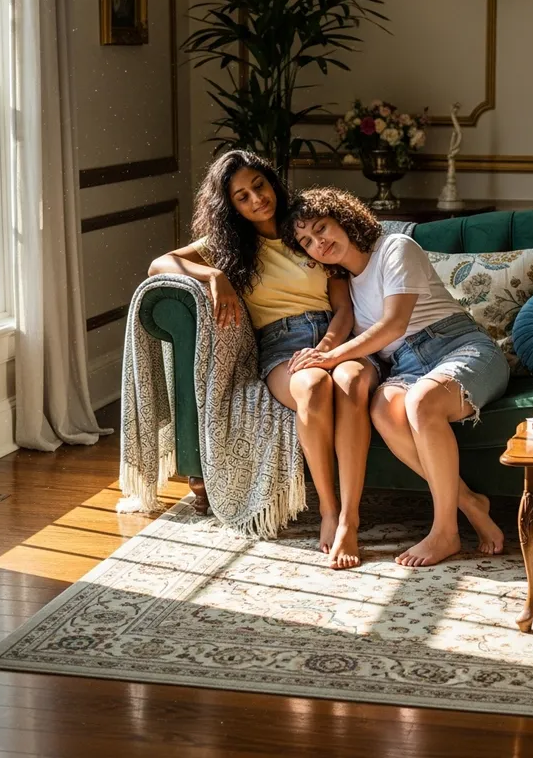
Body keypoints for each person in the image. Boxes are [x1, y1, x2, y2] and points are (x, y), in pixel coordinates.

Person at [148, 153, 379, 567]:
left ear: (273, 181)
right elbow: (159, 264)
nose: (256, 198)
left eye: (260, 185)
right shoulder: (227, 248)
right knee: (312, 385)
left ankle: (351, 517)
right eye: (242, 196)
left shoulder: (307, 229)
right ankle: (329, 510)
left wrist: (327, 349)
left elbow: (344, 308)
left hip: (337, 337)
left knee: (349, 382)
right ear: (231, 206)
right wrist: (214, 275)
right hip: (280, 345)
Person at [282, 187, 510, 568]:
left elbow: (394, 324)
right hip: (407, 365)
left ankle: (445, 533)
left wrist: (329, 357)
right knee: (384, 411)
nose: (318, 243)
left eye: (322, 228)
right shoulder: (345, 288)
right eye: (306, 241)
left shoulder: (395, 247)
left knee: (421, 402)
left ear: (344, 218)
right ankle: (469, 501)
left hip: (458, 346)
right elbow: (357, 334)